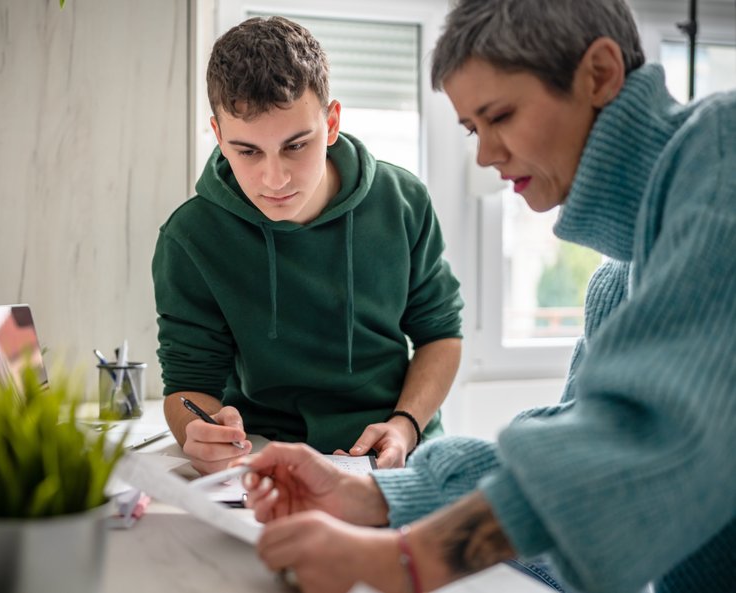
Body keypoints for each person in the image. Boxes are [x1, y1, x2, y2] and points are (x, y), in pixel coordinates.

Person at [240, 1, 736, 592]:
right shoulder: (616, 278)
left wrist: (402, 560)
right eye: (474, 128)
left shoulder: (722, 153)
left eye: (500, 115)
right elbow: (573, 444)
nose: (486, 154)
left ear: (599, 74)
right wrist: (368, 491)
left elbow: (641, 441)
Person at [152, 16, 464, 474]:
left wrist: (405, 424)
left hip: (394, 454)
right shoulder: (190, 238)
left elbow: (441, 334)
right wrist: (197, 433)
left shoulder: (403, 202)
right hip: (263, 460)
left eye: (296, 145)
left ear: (331, 122)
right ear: (218, 136)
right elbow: (186, 386)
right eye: (248, 151)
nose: (273, 179)